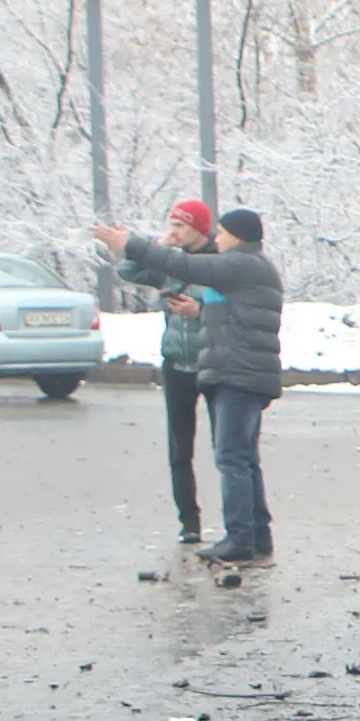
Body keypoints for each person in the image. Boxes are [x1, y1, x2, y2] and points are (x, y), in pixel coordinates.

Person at [93, 204, 283, 562]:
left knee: (231, 457)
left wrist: (130, 243)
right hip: (243, 371)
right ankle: (258, 535)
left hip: (237, 372)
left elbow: (184, 265)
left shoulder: (240, 264)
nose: (217, 239)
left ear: (237, 237)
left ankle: (240, 537)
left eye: (222, 233)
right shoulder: (252, 267)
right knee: (243, 457)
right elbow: (235, 314)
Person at [117, 199, 217, 543]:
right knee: (179, 449)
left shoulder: (218, 262)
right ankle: (189, 522)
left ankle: (237, 521)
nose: (174, 231)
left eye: (180, 225)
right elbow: (128, 271)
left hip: (211, 362)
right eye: (172, 224)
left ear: (198, 228)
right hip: (176, 363)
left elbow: (234, 307)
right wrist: (158, 245)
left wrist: (199, 310)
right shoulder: (170, 263)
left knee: (225, 447)